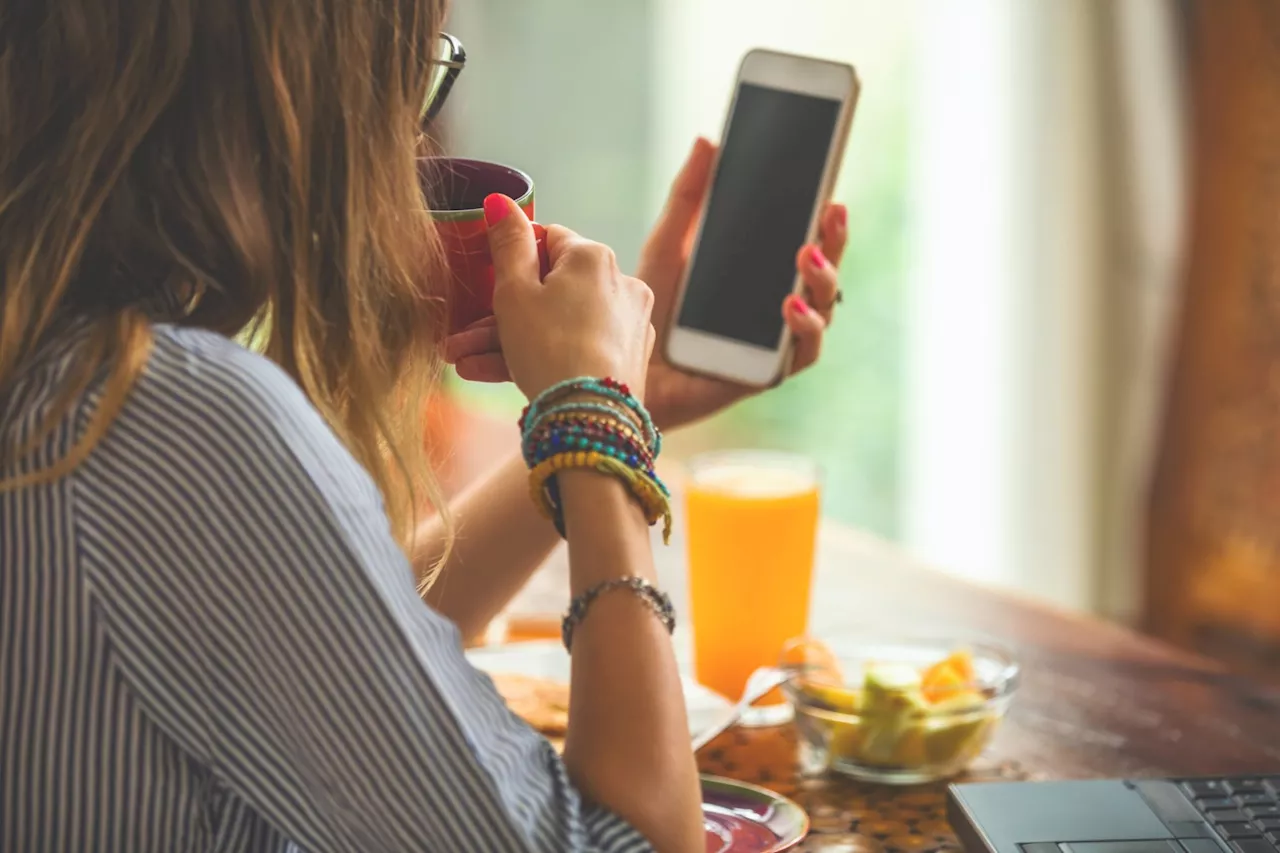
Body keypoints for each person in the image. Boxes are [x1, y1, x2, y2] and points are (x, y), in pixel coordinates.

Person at [0, 1, 846, 851]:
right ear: (294, 90)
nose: (413, 136)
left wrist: (612, 410)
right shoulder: (180, 418)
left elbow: (330, 653)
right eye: (412, 74)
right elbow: (639, 841)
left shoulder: (63, 375)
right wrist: (598, 418)